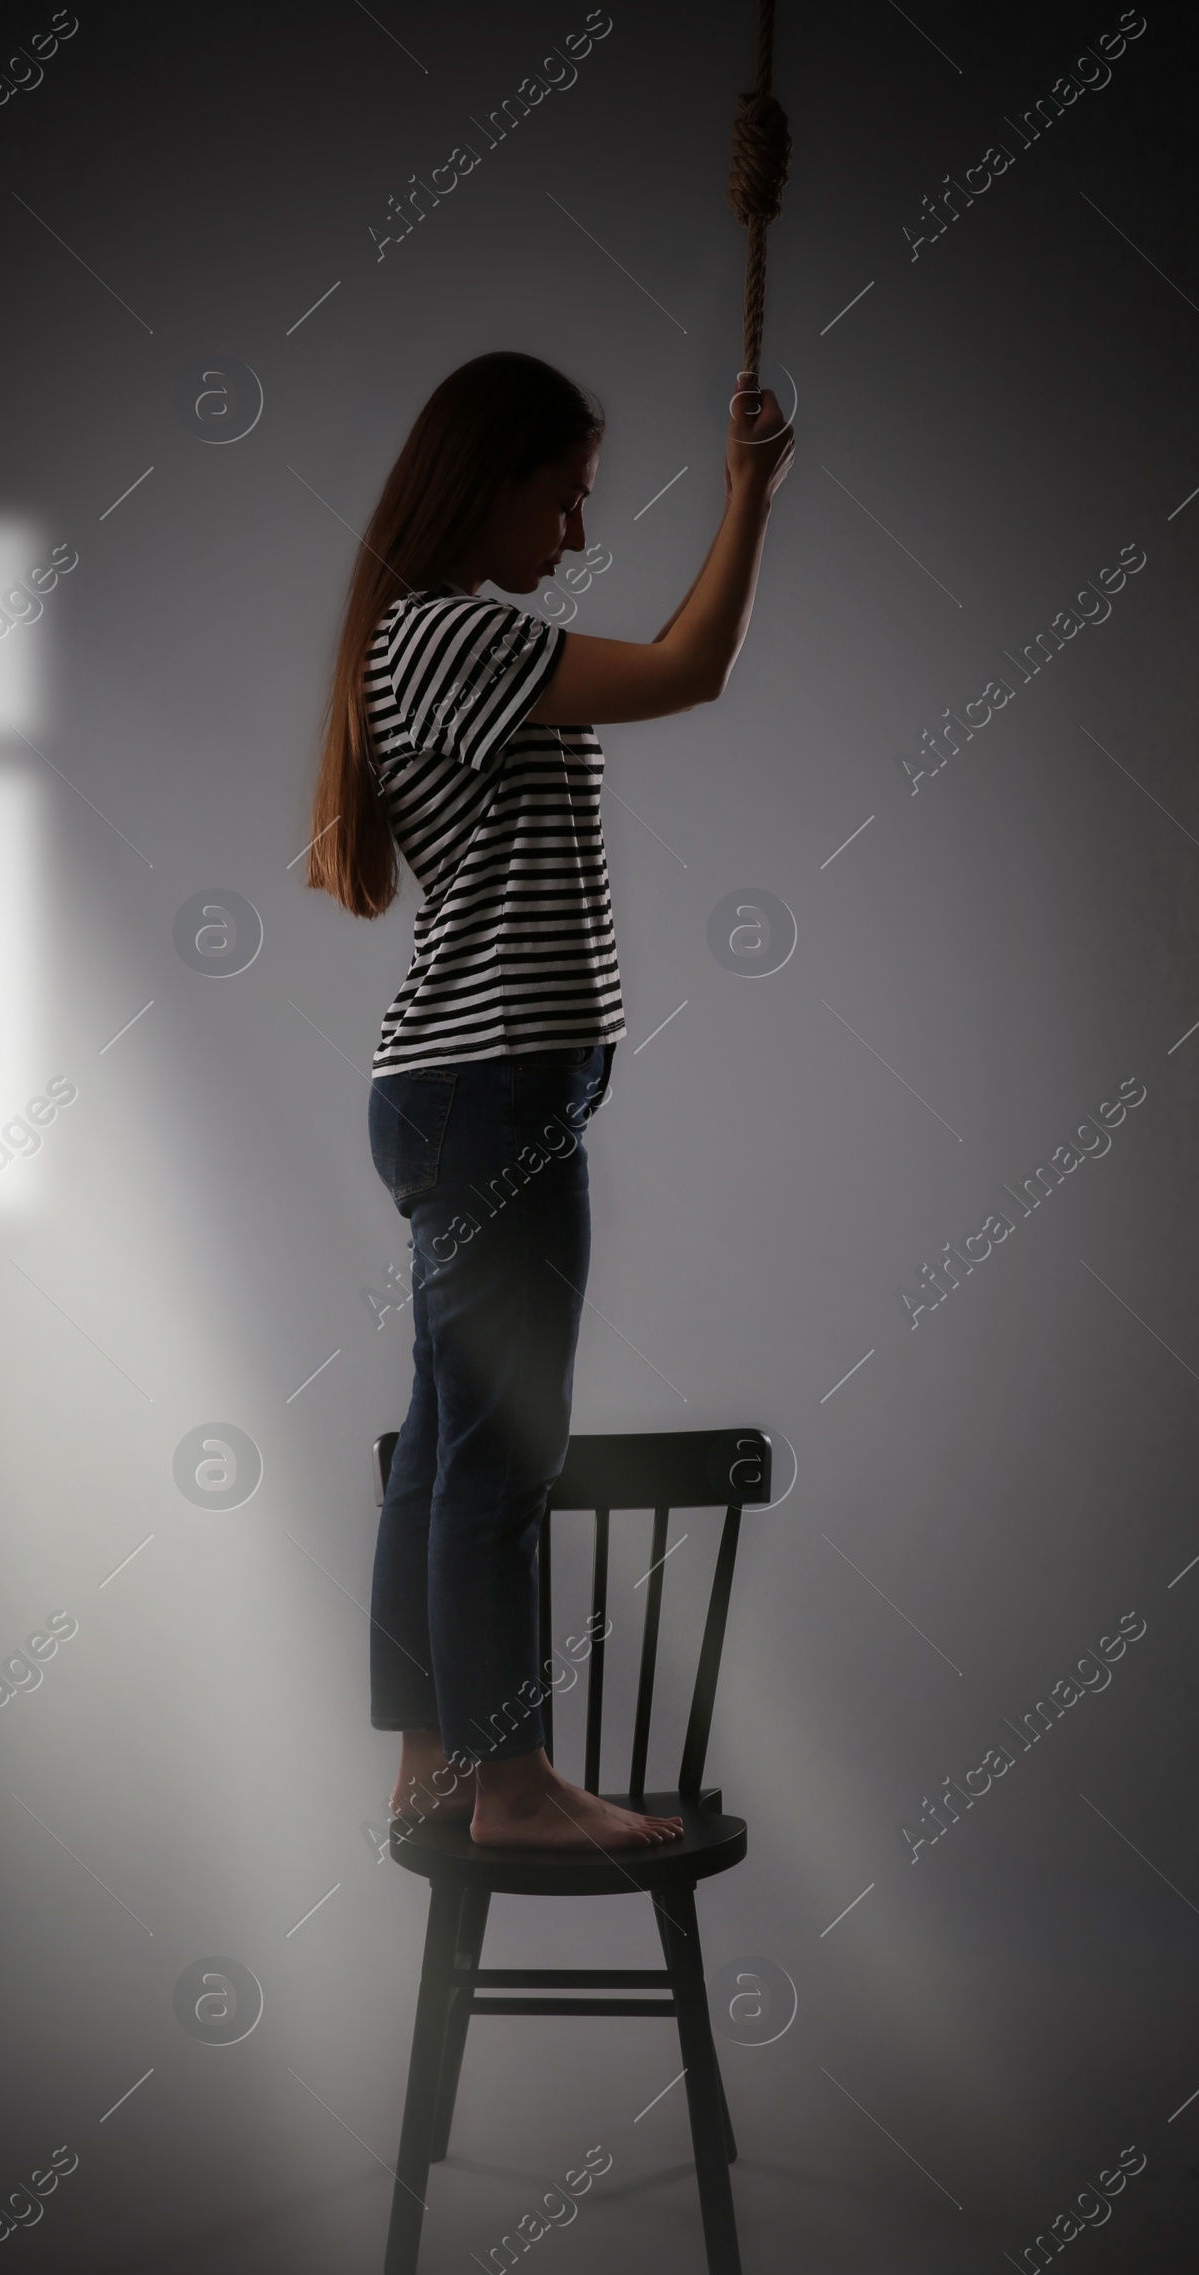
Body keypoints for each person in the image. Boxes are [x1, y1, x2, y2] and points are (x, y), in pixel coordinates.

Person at [305, 350, 793, 1848]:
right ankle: (508, 1785)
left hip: (475, 1091)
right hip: (492, 1094)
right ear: (493, 479)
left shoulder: (429, 639)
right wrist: (750, 496)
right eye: (566, 497)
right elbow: (692, 670)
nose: (576, 536)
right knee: (500, 1455)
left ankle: (436, 1767)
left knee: (453, 1448)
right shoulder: (449, 637)